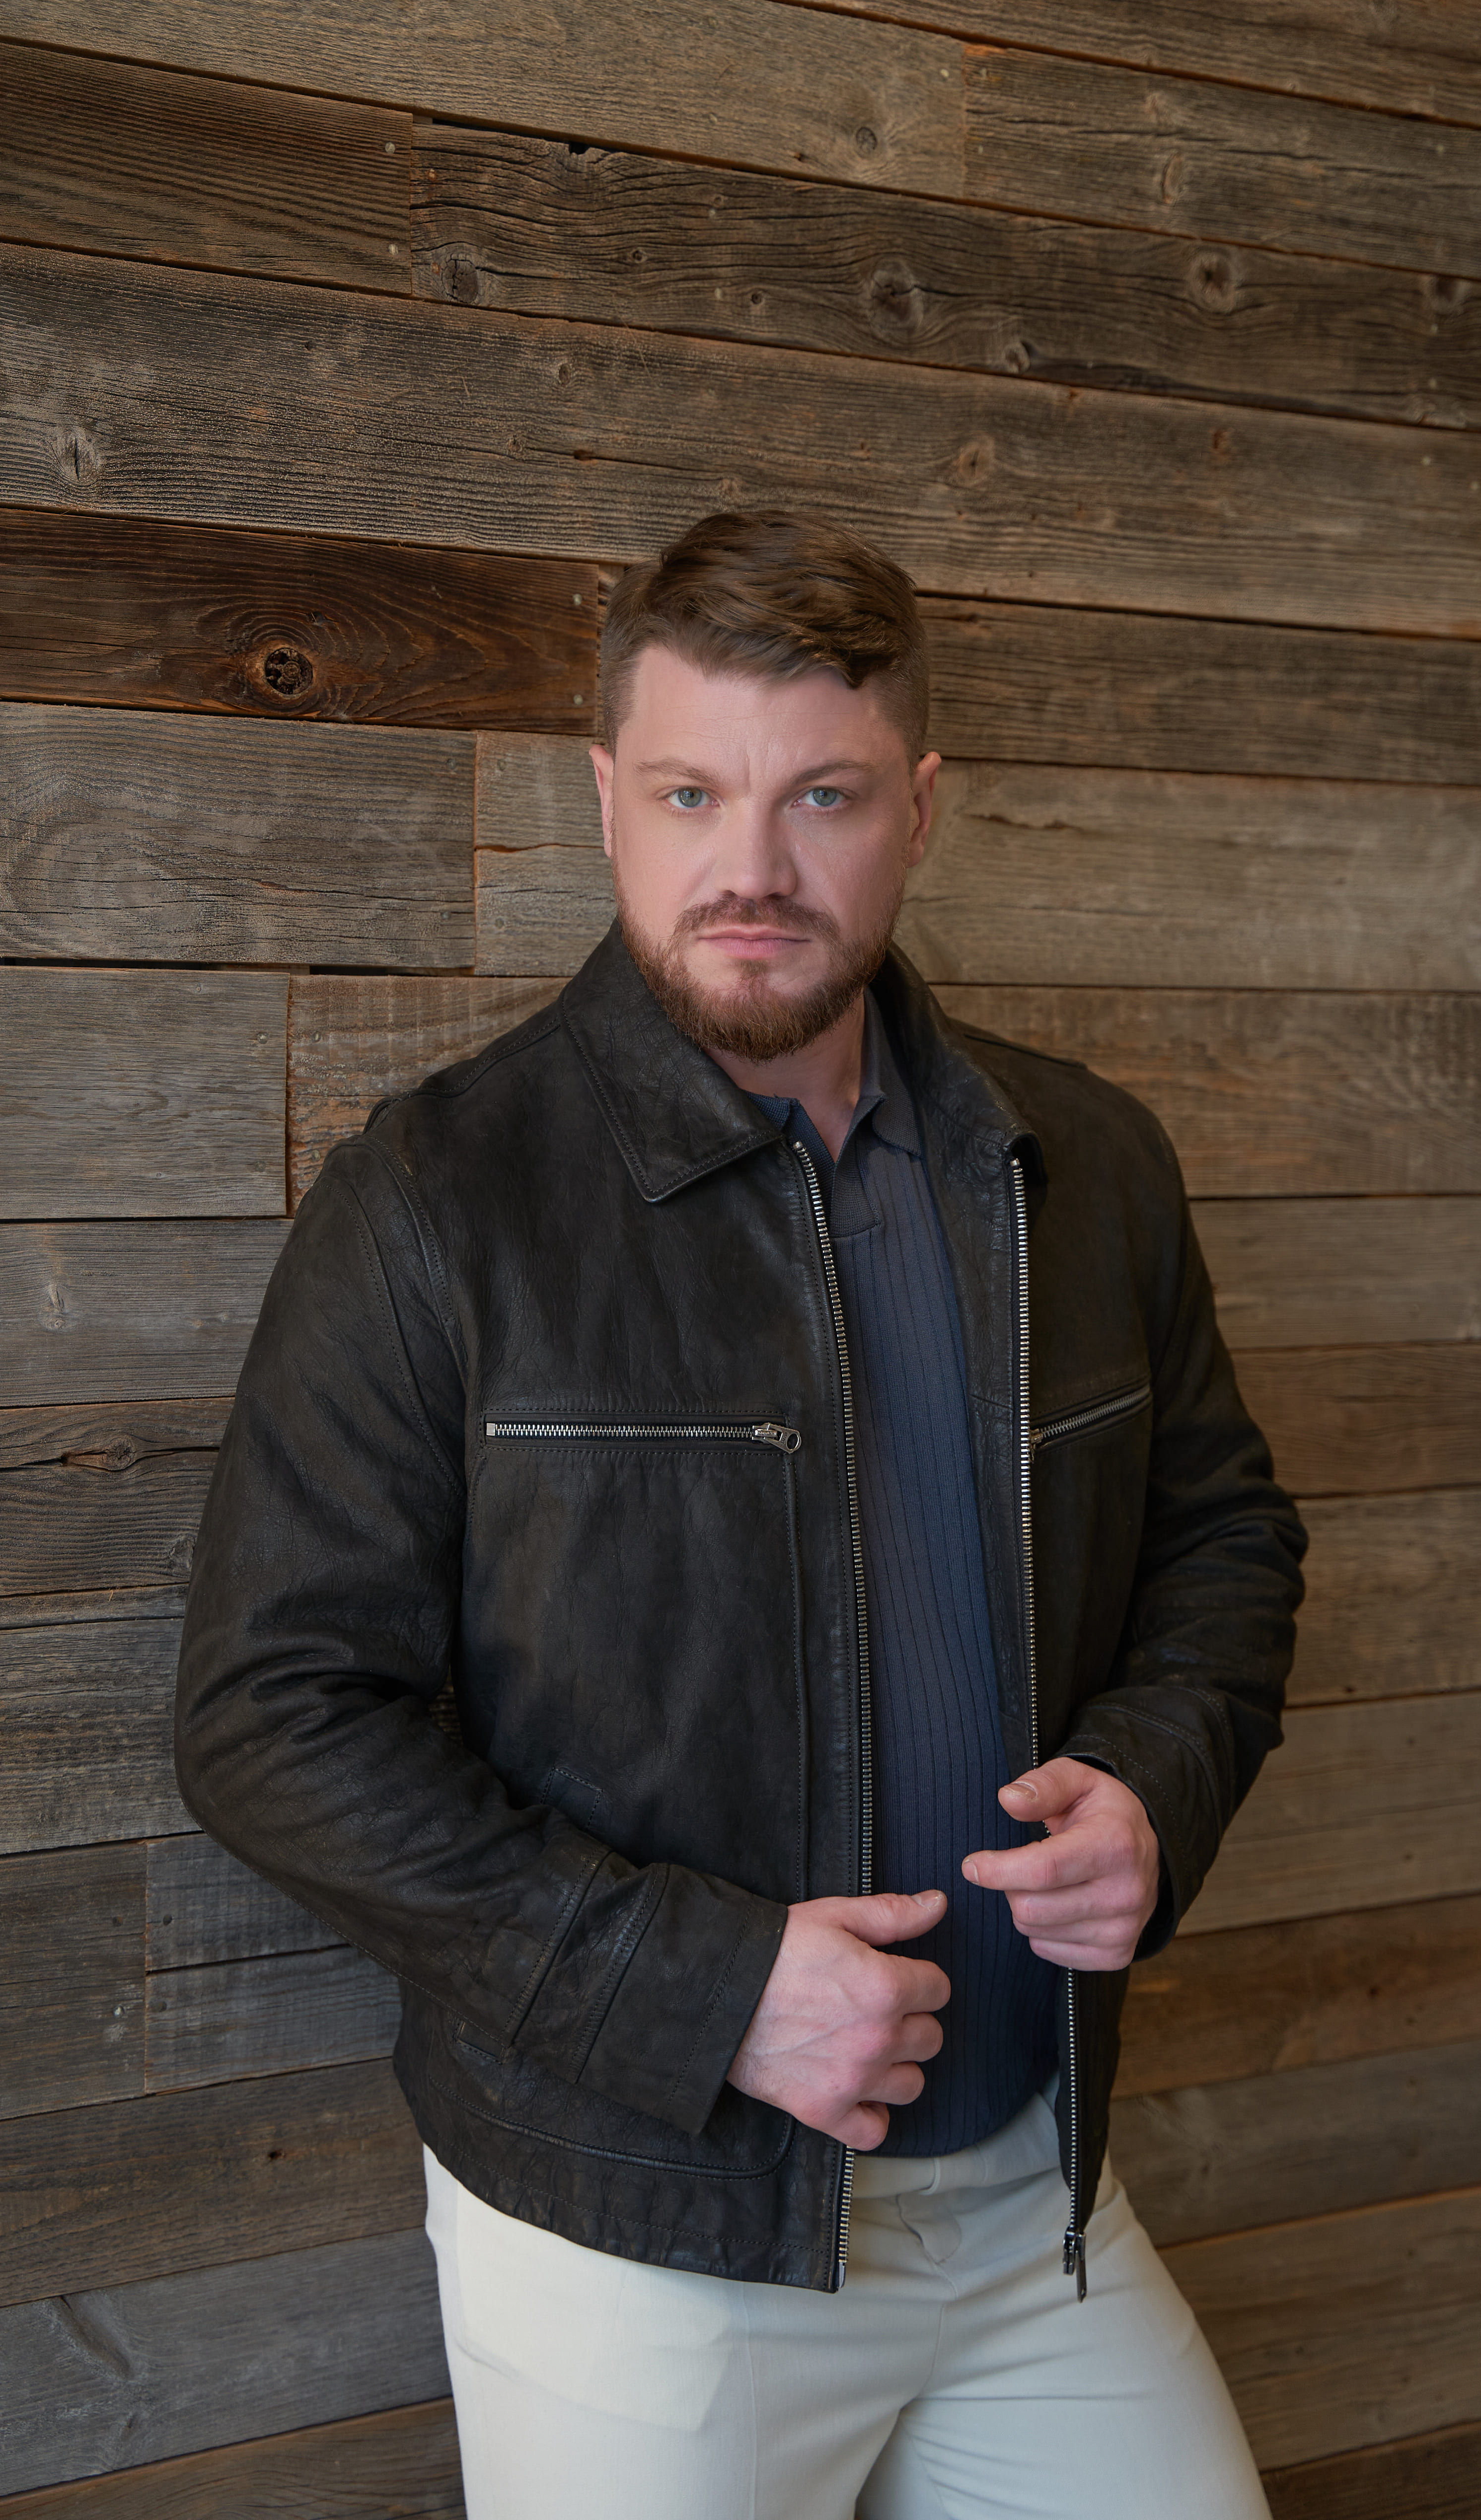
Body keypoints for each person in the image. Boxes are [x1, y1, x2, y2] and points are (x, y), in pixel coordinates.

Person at [175, 511, 1306, 2519]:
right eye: (693, 793)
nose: (754, 868)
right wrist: (702, 1993)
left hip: (1032, 2201)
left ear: (921, 808)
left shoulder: (1088, 1166)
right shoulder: (438, 1200)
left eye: (824, 798)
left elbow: (1225, 1541)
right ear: (606, 797)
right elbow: (272, 1720)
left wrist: (1157, 1784)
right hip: (642, 2246)